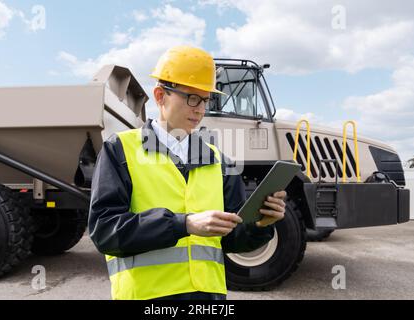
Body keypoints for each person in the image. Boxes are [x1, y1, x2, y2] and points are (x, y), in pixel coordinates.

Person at [88, 45, 287, 300]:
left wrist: (261, 225)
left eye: (206, 99)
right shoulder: (120, 150)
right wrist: (185, 224)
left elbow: (232, 240)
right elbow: (105, 232)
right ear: (160, 96)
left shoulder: (219, 161)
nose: (200, 109)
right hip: (147, 297)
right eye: (192, 98)